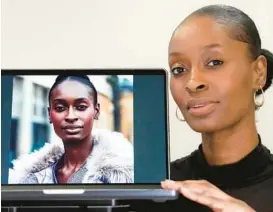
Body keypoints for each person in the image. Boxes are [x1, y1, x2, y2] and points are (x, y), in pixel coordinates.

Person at [127, 4, 273, 212]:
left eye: (214, 62)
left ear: (258, 72)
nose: (192, 83)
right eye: (179, 69)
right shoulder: (152, 192)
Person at [9, 75, 134, 184]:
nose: (70, 116)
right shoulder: (32, 180)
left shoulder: (123, 176)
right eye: (60, 108)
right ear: (49, 114)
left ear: (96, 111)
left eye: (81, 107)